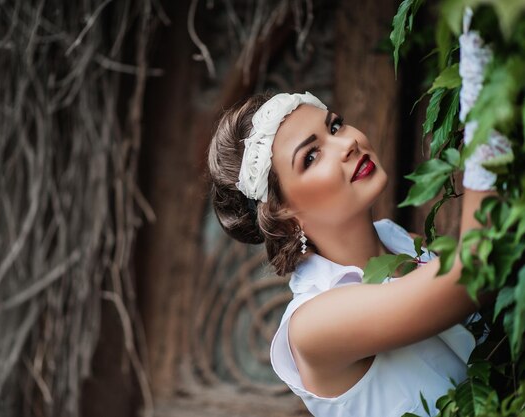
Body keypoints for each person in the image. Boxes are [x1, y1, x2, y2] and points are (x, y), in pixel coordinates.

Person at [206, 12, 511, 416]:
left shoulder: (397, 240)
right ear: (283, 213)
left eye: (335, 126)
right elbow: (475, 274)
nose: (346, 143)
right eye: (311, 156)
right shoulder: (311, 326)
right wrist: (483, 85)